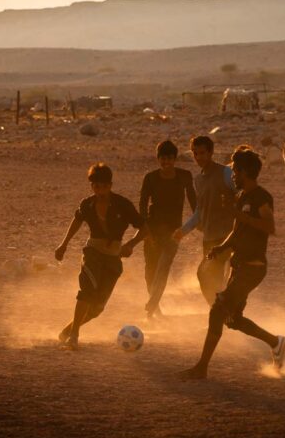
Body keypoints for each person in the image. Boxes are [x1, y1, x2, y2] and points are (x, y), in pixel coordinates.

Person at [180, 145, 285, 379]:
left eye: (236, 172)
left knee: (217, 311)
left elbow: (269, 227)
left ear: (246, 172)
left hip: (253, 268)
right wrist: (222, 247)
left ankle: (201, 368)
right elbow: (237, 230)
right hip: (239, 265)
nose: (233, 176)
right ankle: (276, 342)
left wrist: (238, 214)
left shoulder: (261, 197)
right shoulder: (241, 197)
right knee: (233, 320)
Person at [54, 163, 148, 350]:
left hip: (114, 259)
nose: (100, 190)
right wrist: (63, 244)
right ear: (92, 186)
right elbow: (77, 220)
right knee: (86, 291)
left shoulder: (123, 204)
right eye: (96, 186)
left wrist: (130, 244)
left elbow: (144, 228)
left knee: (97, 309)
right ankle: (74, 336)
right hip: (93, 253)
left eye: (104, 186)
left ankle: (68, 330)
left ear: (110, 185)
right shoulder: (87, 204)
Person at [173, 135, 235, 305]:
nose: (199, 157)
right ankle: (219, 310)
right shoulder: (198, 180)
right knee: (210, 278)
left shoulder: (226, 173)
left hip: (227, 236)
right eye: (195, 153)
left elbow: (241, 195)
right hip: (209, 238)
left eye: (202, 153)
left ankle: (219, 311)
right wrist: (183, 231)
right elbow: (200, 211)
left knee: (205, 273)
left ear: (211, 152)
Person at [139, 140, 197, 319]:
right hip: (152, 232)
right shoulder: (150, 178)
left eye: (170, 158)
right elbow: (142, 204)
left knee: (163, 267)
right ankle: (156, 310)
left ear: (175, 158)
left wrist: (198, 220)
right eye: (163, 159)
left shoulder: (184, 175)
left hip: (174, 232)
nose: (166, 162)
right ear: (158, 159)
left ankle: (152, 304)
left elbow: (193, 201)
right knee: (150, 273)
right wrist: (145, 229)